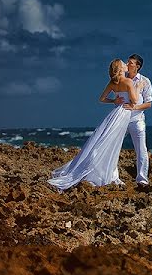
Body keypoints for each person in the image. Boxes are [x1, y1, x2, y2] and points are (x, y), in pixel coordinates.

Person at [47, 59, 140, 190]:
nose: (126, 65)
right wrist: (137, 89)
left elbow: (102, 99)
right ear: (120, 69)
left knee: (107, 142)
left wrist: (114, 100)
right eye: (124, 64)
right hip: (124, 113)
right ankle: (107, 174)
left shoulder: (113, 82)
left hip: (116, 112)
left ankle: (110, 172)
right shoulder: (128, 81)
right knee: (113, 144)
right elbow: (135, 100)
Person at [116, 53, 152, 191]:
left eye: (130, 62)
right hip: (120, 119)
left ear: (137, 66)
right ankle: (114, 177)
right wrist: (115, 101)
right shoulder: (121, 79)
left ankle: (142, 180)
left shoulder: (145, 81)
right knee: (114, 147)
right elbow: (117, 97)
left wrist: (135, 107)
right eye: (128, 62)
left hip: (137, 120)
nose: (127, 64)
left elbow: (148, 103)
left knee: (141, 149)